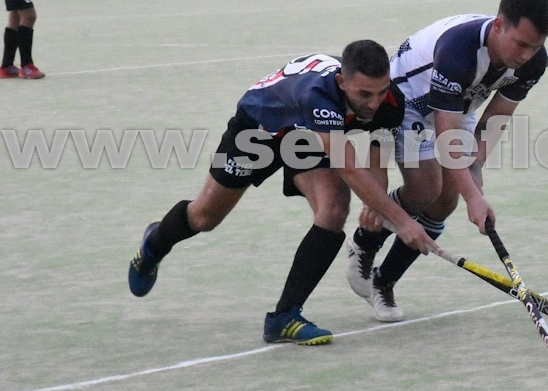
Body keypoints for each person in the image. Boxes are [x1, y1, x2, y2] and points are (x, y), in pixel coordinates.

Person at [127, 41, 440, 345]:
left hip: (307, 138)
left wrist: (380, 204)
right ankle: (154, 245)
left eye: (381, 91)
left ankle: (284, 317)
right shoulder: (317, 94)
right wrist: (402, 221)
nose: (373, 103)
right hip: (258, 128)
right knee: (205, 216)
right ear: (342, 82)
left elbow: (376, 151)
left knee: (333, 209)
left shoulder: (390, 101)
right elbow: (347, 167)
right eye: (364, 94)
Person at [343, 0, 548, 322]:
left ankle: (385, 281)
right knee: (426, 189)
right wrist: (474, 197)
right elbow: (446, 134)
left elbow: (496, 116)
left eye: (536, 46)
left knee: (446, 201)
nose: (527, 55)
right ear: (499, 25)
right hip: (407, 99)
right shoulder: (459, 48)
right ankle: (365, 241)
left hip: (462, 101)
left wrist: (475, 168)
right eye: (521, 44)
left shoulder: (532, 63)